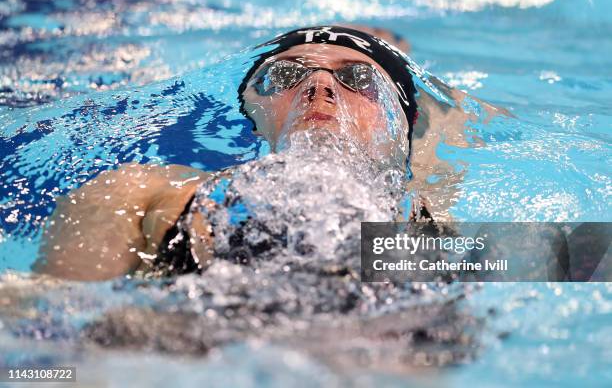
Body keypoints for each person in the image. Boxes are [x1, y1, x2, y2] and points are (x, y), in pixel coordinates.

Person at [33, 25, 500, 281]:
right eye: (287, 75)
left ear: (403, 124)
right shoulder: (143, 192)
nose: (319, 85)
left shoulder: (428, 218)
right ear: (253, 110)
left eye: (358, 79)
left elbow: (574, 263)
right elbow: (49, 329)